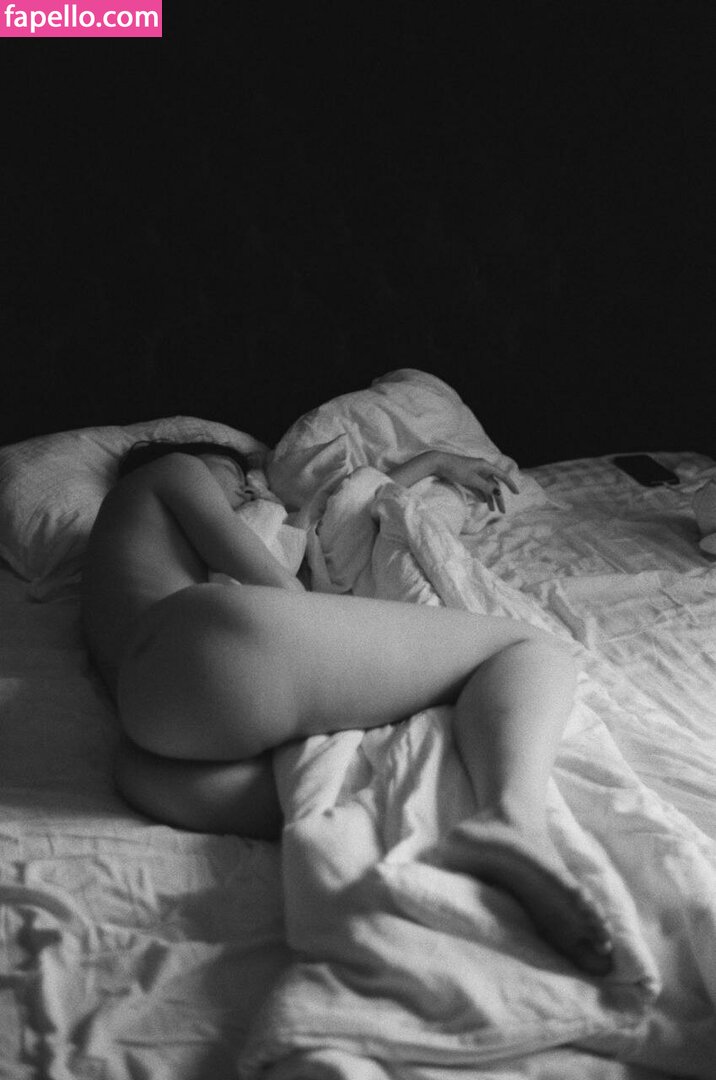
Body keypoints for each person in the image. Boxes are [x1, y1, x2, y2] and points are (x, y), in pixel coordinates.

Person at [81, 439, 613, 976]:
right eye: (232, 475)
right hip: (205, 640)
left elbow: (342, 508)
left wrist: (432, 464)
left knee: (360, 783)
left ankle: (453, 869)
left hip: (151, 735)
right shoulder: (175, 469)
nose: (248, 490)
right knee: (528, 648)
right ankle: (512, 820)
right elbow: (276, 586)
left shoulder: (116, 552)